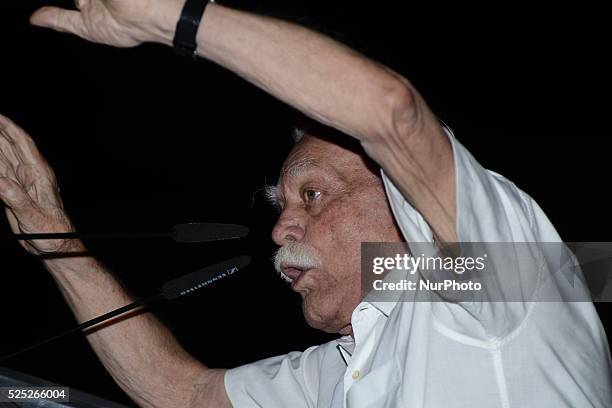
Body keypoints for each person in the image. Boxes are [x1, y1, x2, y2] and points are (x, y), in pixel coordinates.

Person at [0, 1, 610, 407]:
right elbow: (183, 395)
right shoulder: (337, 370)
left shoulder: (507, 281)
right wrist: (52, 236)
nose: (281, 228)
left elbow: (388, 112)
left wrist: (173, 19)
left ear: (402, 200)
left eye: (312, 195)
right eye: (282, 203)